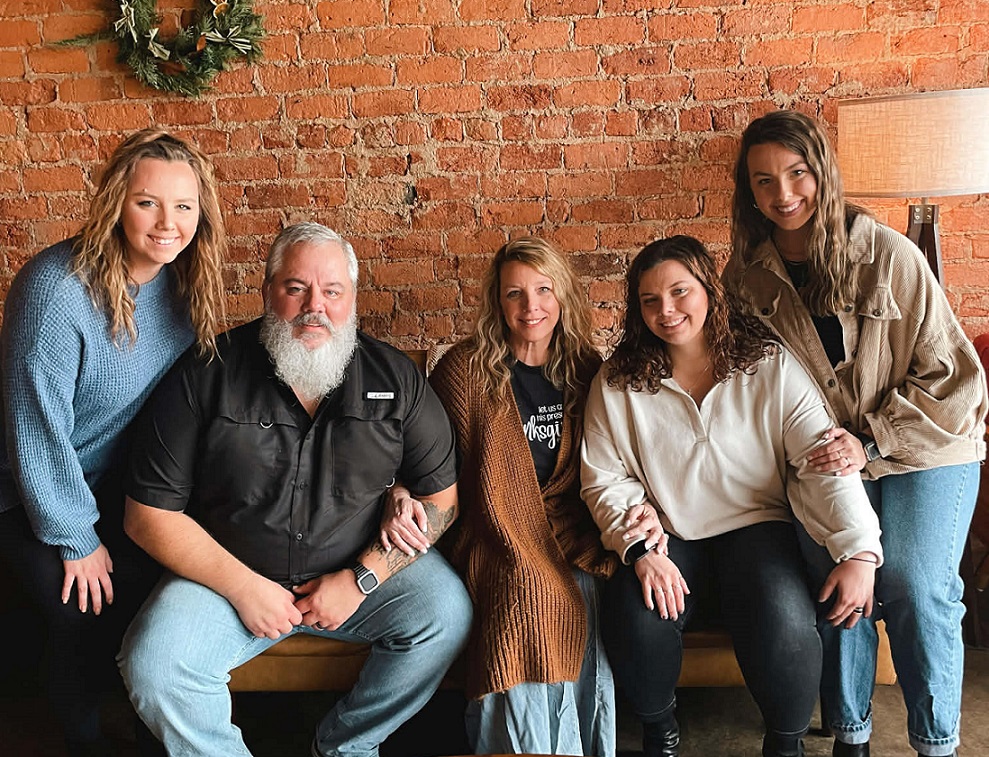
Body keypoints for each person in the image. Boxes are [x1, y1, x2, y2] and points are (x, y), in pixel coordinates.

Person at [118, 222, 472, 757]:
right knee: (154, 663)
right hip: (225, 579)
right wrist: (245, 588)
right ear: (267, 292)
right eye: (296, 288)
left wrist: (363, 579)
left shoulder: (395, 378)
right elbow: (146, 513)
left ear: (352, 299)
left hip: (353, 576)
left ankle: (346, 746)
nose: (315, 307)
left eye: (332, 291)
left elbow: (441, 499)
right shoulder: (207, 372)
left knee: (446, 615)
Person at [725, 109, 988, 757]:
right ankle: (852, 737)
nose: (783, 194)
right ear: (748, 191)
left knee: (915, 585)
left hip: (924, 445)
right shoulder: (743, 279)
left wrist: (869, 439)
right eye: (764, 181)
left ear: (822, 172)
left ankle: (936, 743)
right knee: (836, 577)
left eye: (797, 173)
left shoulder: (890, 256)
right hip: (824, 456)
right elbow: (751, 387)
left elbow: (954, 379)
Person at [581, 235, 884, 757]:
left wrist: (858, 550)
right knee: (635, 613)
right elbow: (604, 478)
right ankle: (659, 730)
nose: (666, 310)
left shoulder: (768, 364)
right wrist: (640, 548)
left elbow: (822, 457)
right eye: (650, 300)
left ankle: (785, 745)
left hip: (758, 528)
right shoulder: (617, 381)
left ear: (709, 290)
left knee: (784, 620)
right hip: (672, 534)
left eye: (680, 291)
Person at [381, 236, 662, 756]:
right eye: (515, 293)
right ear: (498, 302)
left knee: (586, 590)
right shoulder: (465, 372)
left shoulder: (587, 370)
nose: (530, 306)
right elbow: (418, 457)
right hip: (493, 529)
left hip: (572, 530)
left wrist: (647, 508)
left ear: (562, 296)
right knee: (526, 589)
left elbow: (624, 456)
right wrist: (400, 491)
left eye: (543, 290)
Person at [0, 129, 226, 756]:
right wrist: (76, 536)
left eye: (183, 206)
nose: (168, 223)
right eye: (147, 202)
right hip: (29, 489)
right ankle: (84, 740)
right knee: (82, 607)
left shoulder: (183, 283)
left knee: (168, 586)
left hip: (117, 481)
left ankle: (143, 719)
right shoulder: (56, 289)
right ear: (115, 203)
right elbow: (33, 427)